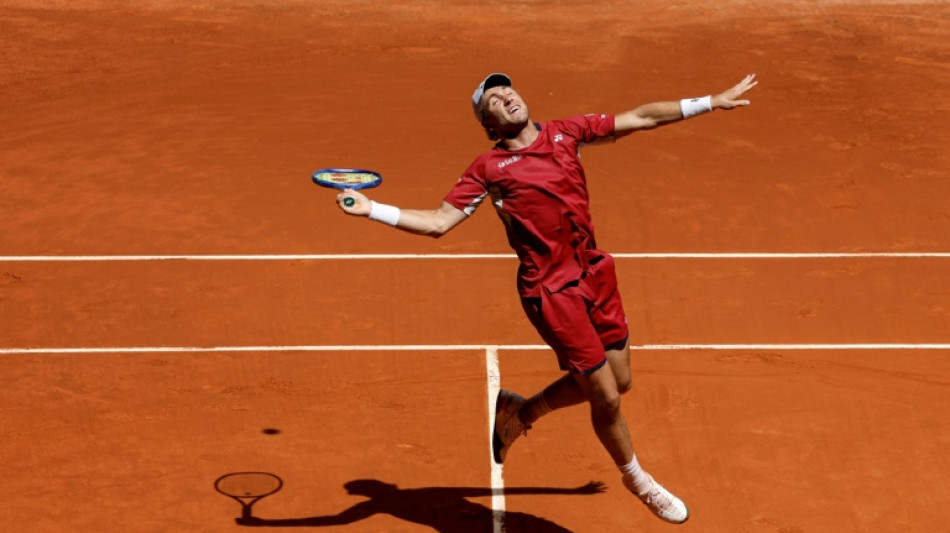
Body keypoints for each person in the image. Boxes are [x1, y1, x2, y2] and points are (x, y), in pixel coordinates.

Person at [335, 72, 758, 525]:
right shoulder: (488, 169)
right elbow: (438, 222)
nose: (507, 97)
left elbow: (639, 117)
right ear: (489, 123)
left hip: (595, 272)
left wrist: (710, 101)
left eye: (508, 90)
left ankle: (522, 410)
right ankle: (638, 480)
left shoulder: (566, 133)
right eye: (494, 100)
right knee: (607, 398)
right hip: (551, 290)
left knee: (621, 381)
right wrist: (373, 210)